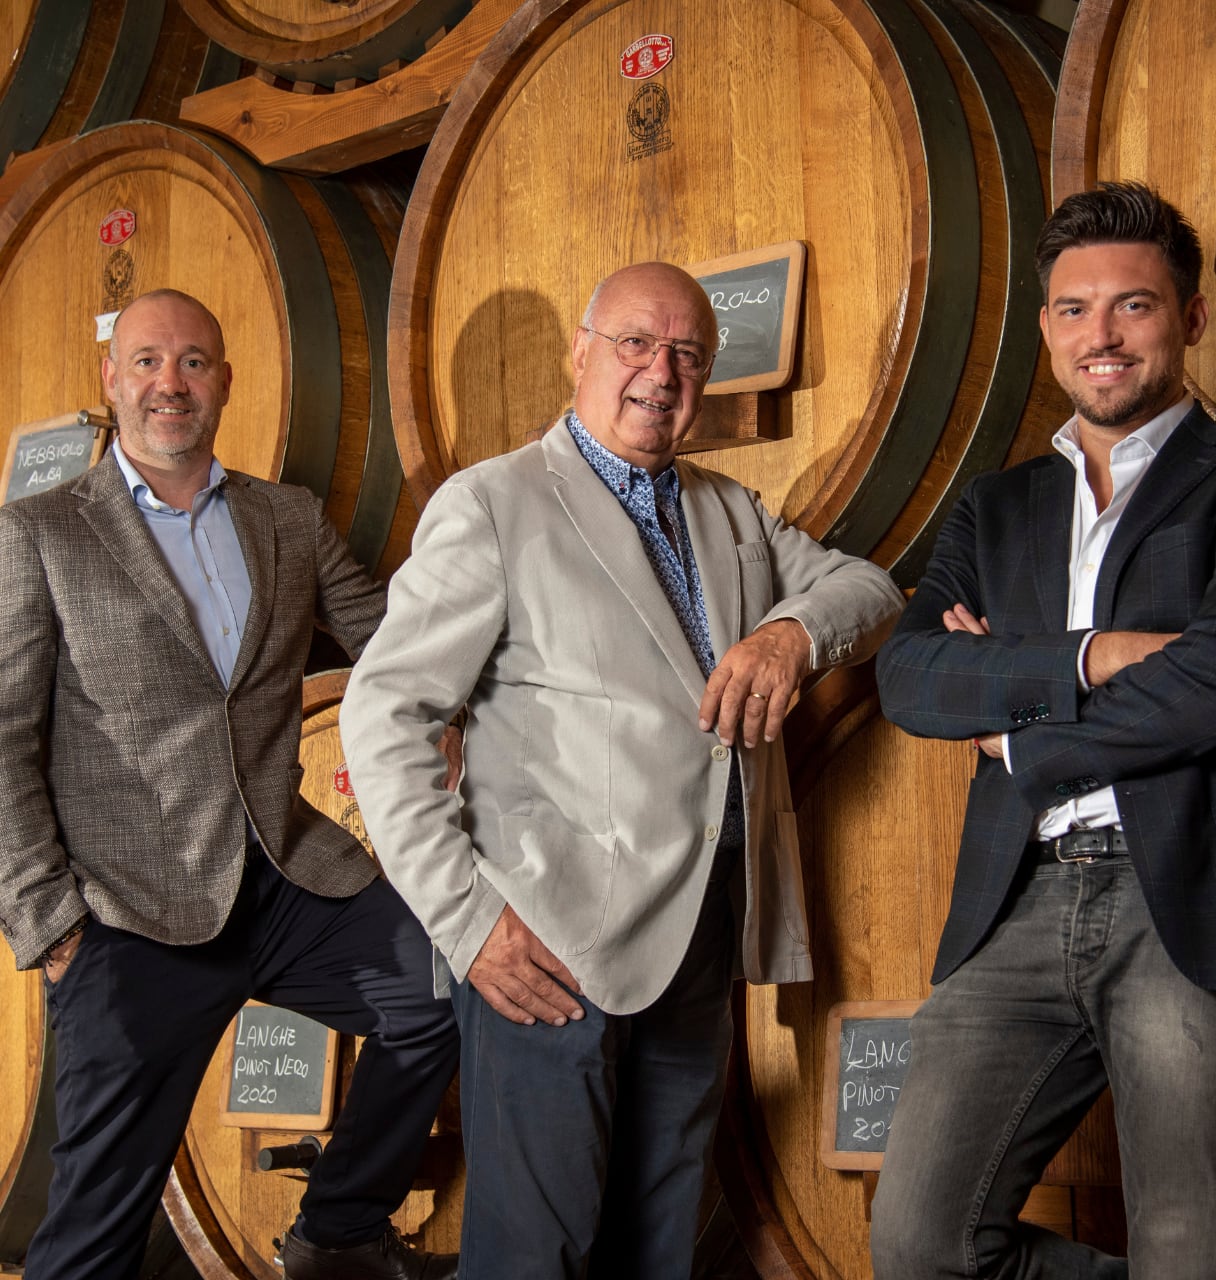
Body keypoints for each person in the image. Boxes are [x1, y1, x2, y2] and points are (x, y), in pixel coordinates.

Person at [339, 261, 904, 1279]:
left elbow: (869, 590)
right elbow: (384, 717)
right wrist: (466, 922)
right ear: (581, 353)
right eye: (635, 343)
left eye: (688, 353)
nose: (661, 371)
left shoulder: (730, 512)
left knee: (657, 1248)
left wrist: (788, 634)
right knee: (535, 1256)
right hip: (544, 947)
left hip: (697, 935)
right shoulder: (494, 503)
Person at [0, 289, 461, 1280]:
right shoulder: (39, 532)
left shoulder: (284, 517)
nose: (170, 383)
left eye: (194, 362)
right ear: (111, 380)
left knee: (441, 990)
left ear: (225, 381)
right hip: (129, 915)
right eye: (148, 361)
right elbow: (2, 738)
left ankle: (338, 1230)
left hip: (286, 881)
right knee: (96, 1230)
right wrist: (51, 926)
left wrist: (482, 669)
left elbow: (385, 639)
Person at [871, 182, 1216, 1278]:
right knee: (920, 1245)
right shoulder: (994, 506)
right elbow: (910, 677)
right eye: (1072, 309)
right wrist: (1097, 655)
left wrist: (1018, 730)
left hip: (1186, 898)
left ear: (1191, 318)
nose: (1100, 335)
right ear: (1047, 327)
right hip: (1017, 896)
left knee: (1187, 1249)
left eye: (1132, 305)